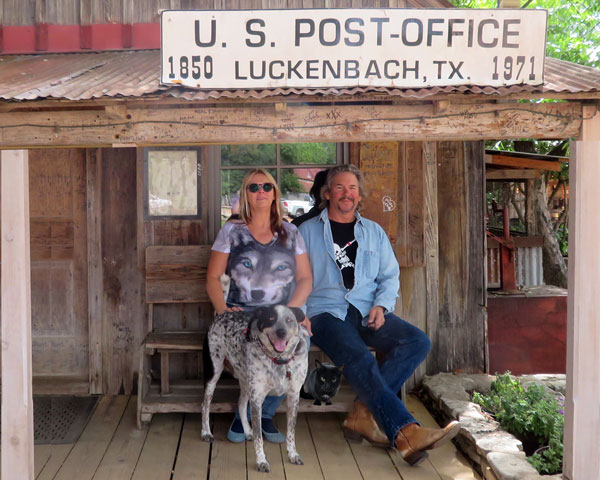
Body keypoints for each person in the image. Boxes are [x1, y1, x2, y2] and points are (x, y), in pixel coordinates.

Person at [298, 164, 459, 466]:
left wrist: (381, 306)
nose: (347, 194)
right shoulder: (305, 232)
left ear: (360, 195)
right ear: (327, 193)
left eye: (353, 188)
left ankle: (363, 411)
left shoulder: (373, 232)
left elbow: (389, 276)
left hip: (365, 310)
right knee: (360, 358)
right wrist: (299, 313)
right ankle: (405, 431)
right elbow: (293, 278)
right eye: (340, 188)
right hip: (324, 313)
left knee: (417, 342)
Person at [206, 168, 312, 444]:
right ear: (246, 194)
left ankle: (263, 414)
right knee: (253, 346)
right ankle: (248, 414)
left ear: (275, 192)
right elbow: (212, 277)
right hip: (242, 315)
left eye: (266, 187)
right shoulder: (232, 231)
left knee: (300, 343)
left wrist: (293, 315)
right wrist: (221, 310)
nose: (261, 192)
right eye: (253, 188)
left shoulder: (290, 232)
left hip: (280, 315)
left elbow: (304, 279)